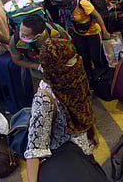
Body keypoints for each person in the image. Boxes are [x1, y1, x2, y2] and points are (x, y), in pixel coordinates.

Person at [25, 38, 101, 182]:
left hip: (84, 150)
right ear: (56, 67)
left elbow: (85, 107)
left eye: (75, 57)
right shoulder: (45, 99)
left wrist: (91, 132)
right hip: (65, 161)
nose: (76, 62)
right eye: (69, 61)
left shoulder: (74, 79)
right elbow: (35, 148)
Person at [60, 0, 109, 77]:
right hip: (79, 34)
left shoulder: (82, 2)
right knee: (84, 57)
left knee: (97, 57)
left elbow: (97, 16)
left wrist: (104, 31)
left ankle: (103, 77)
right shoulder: (70, 3)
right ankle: (90, 77)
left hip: (92, 33)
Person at [9, 13, 70, 78]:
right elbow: (17, 60)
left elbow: (69, 45)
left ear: (38, 36)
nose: (21, 35)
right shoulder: (15, 40)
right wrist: (37, 66)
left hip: (62, 71)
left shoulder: (54, 30)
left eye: (26, 35)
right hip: (40, 76)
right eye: (20, 30)